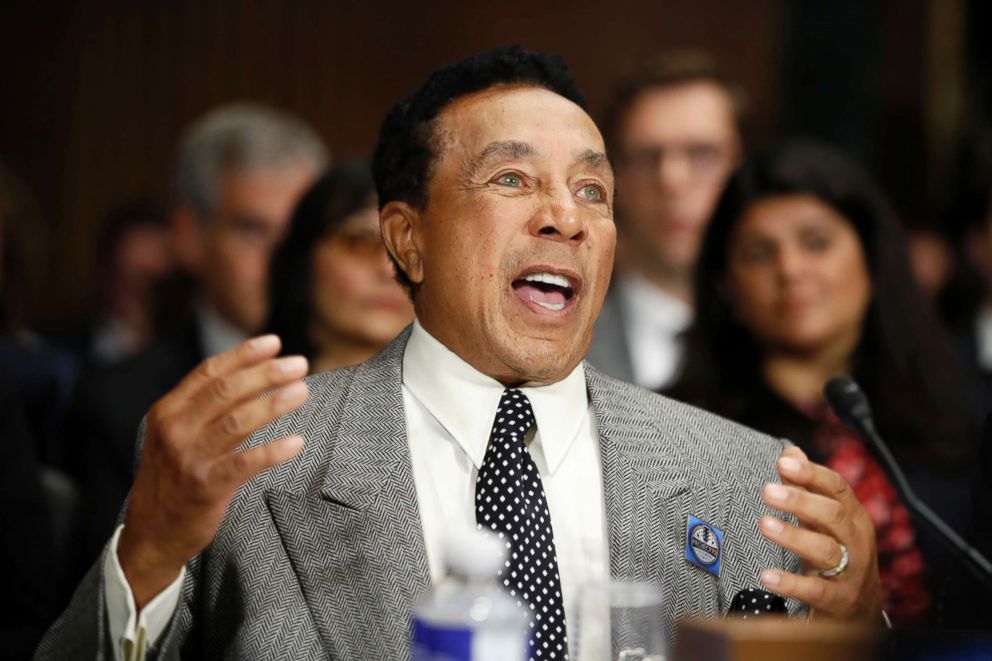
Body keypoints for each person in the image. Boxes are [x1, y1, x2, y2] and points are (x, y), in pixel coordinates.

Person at [37, 48, 882, 661]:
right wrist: (145, 553)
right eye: (513, 180)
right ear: (405, 239)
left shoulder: (747, 480)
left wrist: (863, 619)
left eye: (593, 189)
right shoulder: (250, 471)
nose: (566, 217)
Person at [668, 140, 975, 624]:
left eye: (816, 242)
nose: (790, 270)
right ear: (726, 286)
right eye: (759, 253)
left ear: (872, 258)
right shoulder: (676, 430)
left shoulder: (968, 409)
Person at [64, 103, 327, 569]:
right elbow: (108, 602)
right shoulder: (119, 399)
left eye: (298, 233)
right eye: (253, 230)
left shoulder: (368, 374)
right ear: (189, 236)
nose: (282, 256)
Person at [586, 51, 743, 389]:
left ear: (742, 167)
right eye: (646, 158)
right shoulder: (566, 349)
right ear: (614, 178)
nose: (672, 181)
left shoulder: (790, 338)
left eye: (702, 154)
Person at [265, 161, 413, 372]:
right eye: (359, 242)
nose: (389, 271)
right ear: (303, 260)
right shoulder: (243, 399)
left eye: (411, 250)